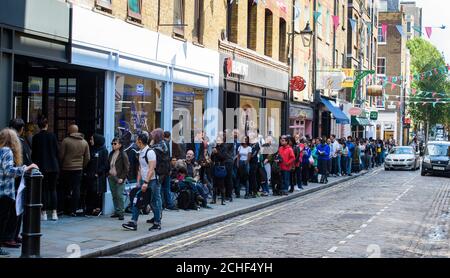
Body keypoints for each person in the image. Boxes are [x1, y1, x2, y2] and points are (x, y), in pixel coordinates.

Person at [0, 129, 38, 255]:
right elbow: (8, 171)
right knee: (2, 220)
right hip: (4, 192)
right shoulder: (7, 151)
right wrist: (25, 168)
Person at [122, 131, 161, 231]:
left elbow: (151, 169)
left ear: (140, 142)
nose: (135, 142)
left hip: (152, 182)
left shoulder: (150, 152)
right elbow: (140, 168)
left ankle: (157, 223)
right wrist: (139, 182)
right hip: (144, 181)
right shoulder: (140, 152)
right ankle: (133, 223)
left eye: (136, 141)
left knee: (153, 202)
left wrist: (146, 183)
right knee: (137, 200)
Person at [8, 119, 32, 245]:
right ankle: (10, 236)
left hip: (18, 178)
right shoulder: (17, 143)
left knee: (16, 208)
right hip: (17, 178)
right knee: (15, 208)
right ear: (22, 129)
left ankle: (13, 234)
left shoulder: (11, 143)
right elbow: (26, 159)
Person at [31, 117, 60, 221]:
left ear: (38, 126)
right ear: (47, 125)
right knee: (53, 190)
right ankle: (54, 213)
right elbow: (57, 151)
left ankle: (43, 213)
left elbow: (33, 154)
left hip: (41, 166)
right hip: (53, 166)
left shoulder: (36, 137)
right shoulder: (52, 136)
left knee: (43, 190)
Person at [59, 125, 90, 216]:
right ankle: (73, 209)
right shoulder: (84, 142)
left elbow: (61, 155)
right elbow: (87, 157)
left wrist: (61, 164)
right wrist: (82, 165)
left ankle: (63, 208)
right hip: (78, 168)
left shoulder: (66, 141)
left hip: (66, 168)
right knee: (76, 189)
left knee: (64, 188)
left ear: (70, 131)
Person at [83, 134, 109, 216]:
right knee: (89, 192)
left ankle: (96, 209)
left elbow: (105, 165)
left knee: (96, 193)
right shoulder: (91, 149)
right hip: (90, 175)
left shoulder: (104, 151)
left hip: (98, 176)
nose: (90, 141)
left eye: (92, 139)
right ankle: (89, 209)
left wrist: (98, 173)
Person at [108, 138, 130, 221]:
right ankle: (117, 211)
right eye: (112, 143)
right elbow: (109, 164)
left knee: (119, 195)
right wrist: (108, 174)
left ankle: (121, 213)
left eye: (115, 143)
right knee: (114, 195)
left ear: (120, 145)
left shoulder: (123, 154)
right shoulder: (111, 153)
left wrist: (122, 178)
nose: (113, 145)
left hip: (120, 177)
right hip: (111, 177)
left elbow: (127, 167)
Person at [211, 135, 226, 205]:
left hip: (221, 167)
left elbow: (223, 157)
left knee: (222, 184)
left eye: (219, 140)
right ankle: (214, 200)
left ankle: (223, 200)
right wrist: (213, 153)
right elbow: (212, 158)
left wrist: (217, 152)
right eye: (217, 140)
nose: (218, 142)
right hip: (215, 167)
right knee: (214, 184)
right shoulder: (215, 148)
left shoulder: (224, 148)